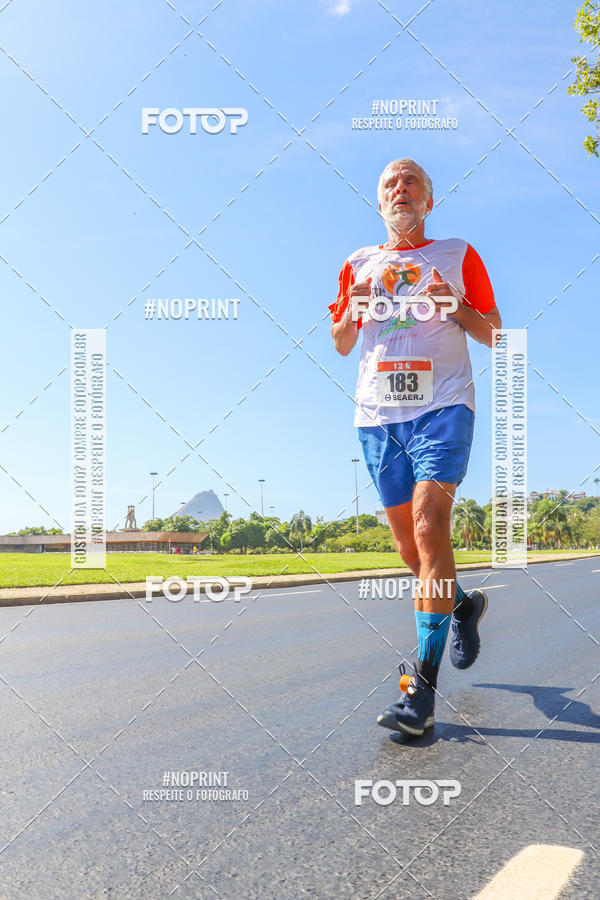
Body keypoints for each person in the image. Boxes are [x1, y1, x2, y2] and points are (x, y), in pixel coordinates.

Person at [329, 158, 502, 737]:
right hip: (379, 419)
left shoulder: (457, 254)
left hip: (444, 407)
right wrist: (351, 308)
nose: (400, 190)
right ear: (379, 202)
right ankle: (462, 609)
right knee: (411, 551)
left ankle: (419, 696)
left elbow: (494, 332)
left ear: (428, 201)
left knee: (431, 530)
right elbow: (340, 342)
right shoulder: (358, 264)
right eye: (389, 184)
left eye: (411, 183)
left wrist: (459, 307)